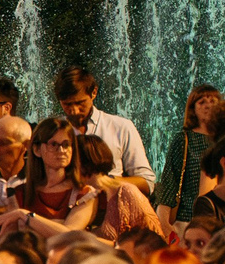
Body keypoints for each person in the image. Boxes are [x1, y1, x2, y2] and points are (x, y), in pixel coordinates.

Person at [52, 63, 153, 192]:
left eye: (80, 103)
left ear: (94, 92)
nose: (74, 111)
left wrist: (106, 181)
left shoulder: (121, 127)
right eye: (67, 104)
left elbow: (147, 182)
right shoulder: (52, 131)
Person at [156, 84, 224, 226]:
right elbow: (170, 182)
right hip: (188, 219)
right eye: (202, 102)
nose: (208, 106)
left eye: (213, 101)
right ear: (193, 109)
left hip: (222, 218)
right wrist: (164, 223)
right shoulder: (184, 139)